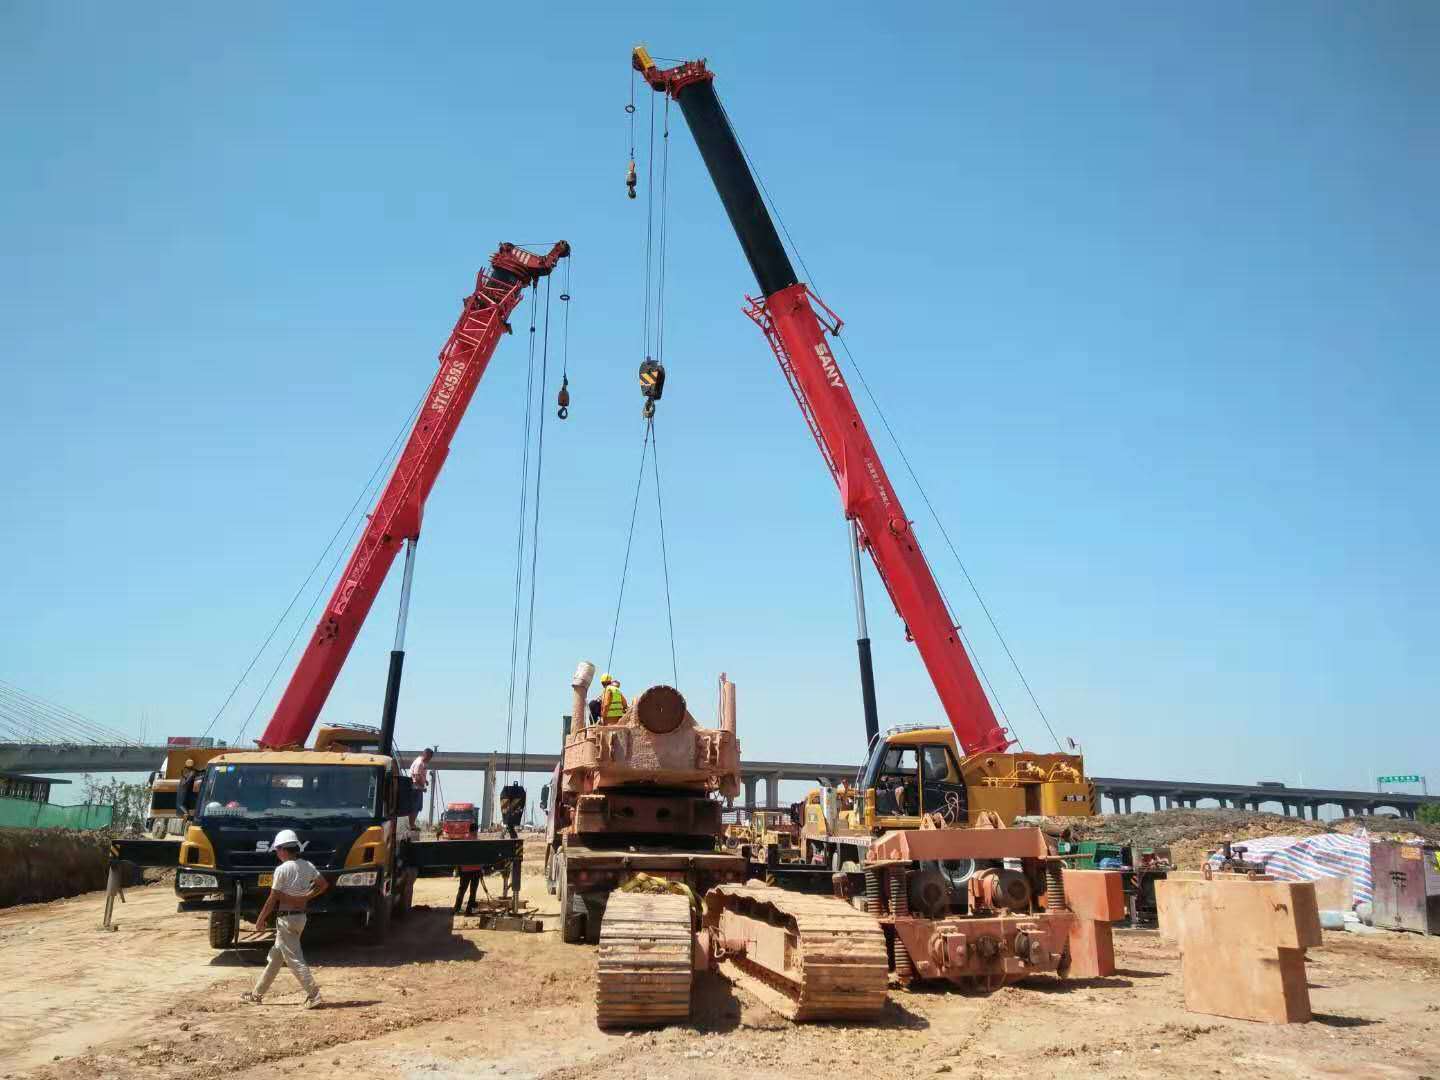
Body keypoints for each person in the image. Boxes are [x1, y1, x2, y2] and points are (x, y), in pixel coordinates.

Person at [241, 829, 328, 1009]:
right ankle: (257, 994)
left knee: (294, 960)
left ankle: (314, 995)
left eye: (277, 850)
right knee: (276, 958)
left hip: (286, 920)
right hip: (300, 918)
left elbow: (272, 898)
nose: (277, 854)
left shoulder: (282, 870)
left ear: (283, 849)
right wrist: (306, 898)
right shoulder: (308, 866)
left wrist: (260, 919)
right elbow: (323, 884)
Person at [408, 747, 434, 828]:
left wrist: (425, 780)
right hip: (416, 788)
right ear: (426, 755)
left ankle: (412, 824)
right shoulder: (420, 763)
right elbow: (416, 777)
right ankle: (411, 824)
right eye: (429, 757)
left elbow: (420, 774)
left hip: (417, 787)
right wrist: (422, 788)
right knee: (415, 807)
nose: (429, 759)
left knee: (418, 807)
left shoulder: (421, 761)